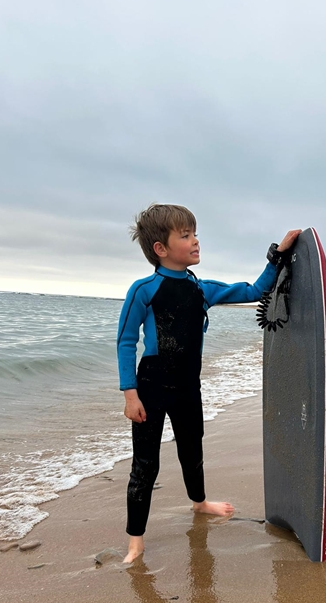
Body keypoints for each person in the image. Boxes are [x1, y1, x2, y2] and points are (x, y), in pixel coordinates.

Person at [117, 203, 301, 563]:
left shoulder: (201, 290)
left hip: (188, 385)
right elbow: (126, 341)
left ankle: (199, 503)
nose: (196, 241)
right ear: (161, 248)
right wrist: (130, 395)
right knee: (145, 465)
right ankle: (135, 540)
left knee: (192, 450)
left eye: (195, 233)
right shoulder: (144, 290)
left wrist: (277, 256)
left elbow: (254, 291)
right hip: (151, 386)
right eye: (186, 235)